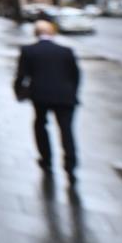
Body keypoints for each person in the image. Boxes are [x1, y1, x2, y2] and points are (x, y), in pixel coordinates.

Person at [14, 20, 81, 182]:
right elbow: (76, 76)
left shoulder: (29, 51)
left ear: (36, 34)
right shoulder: (66, 51)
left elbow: (21, 75)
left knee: (40, 125)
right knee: (66, 131)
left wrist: (19, 93)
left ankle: (46, 160)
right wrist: (72, 92)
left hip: (40, 96)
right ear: (52, 33)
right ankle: (70, 167)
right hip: (65, 97)